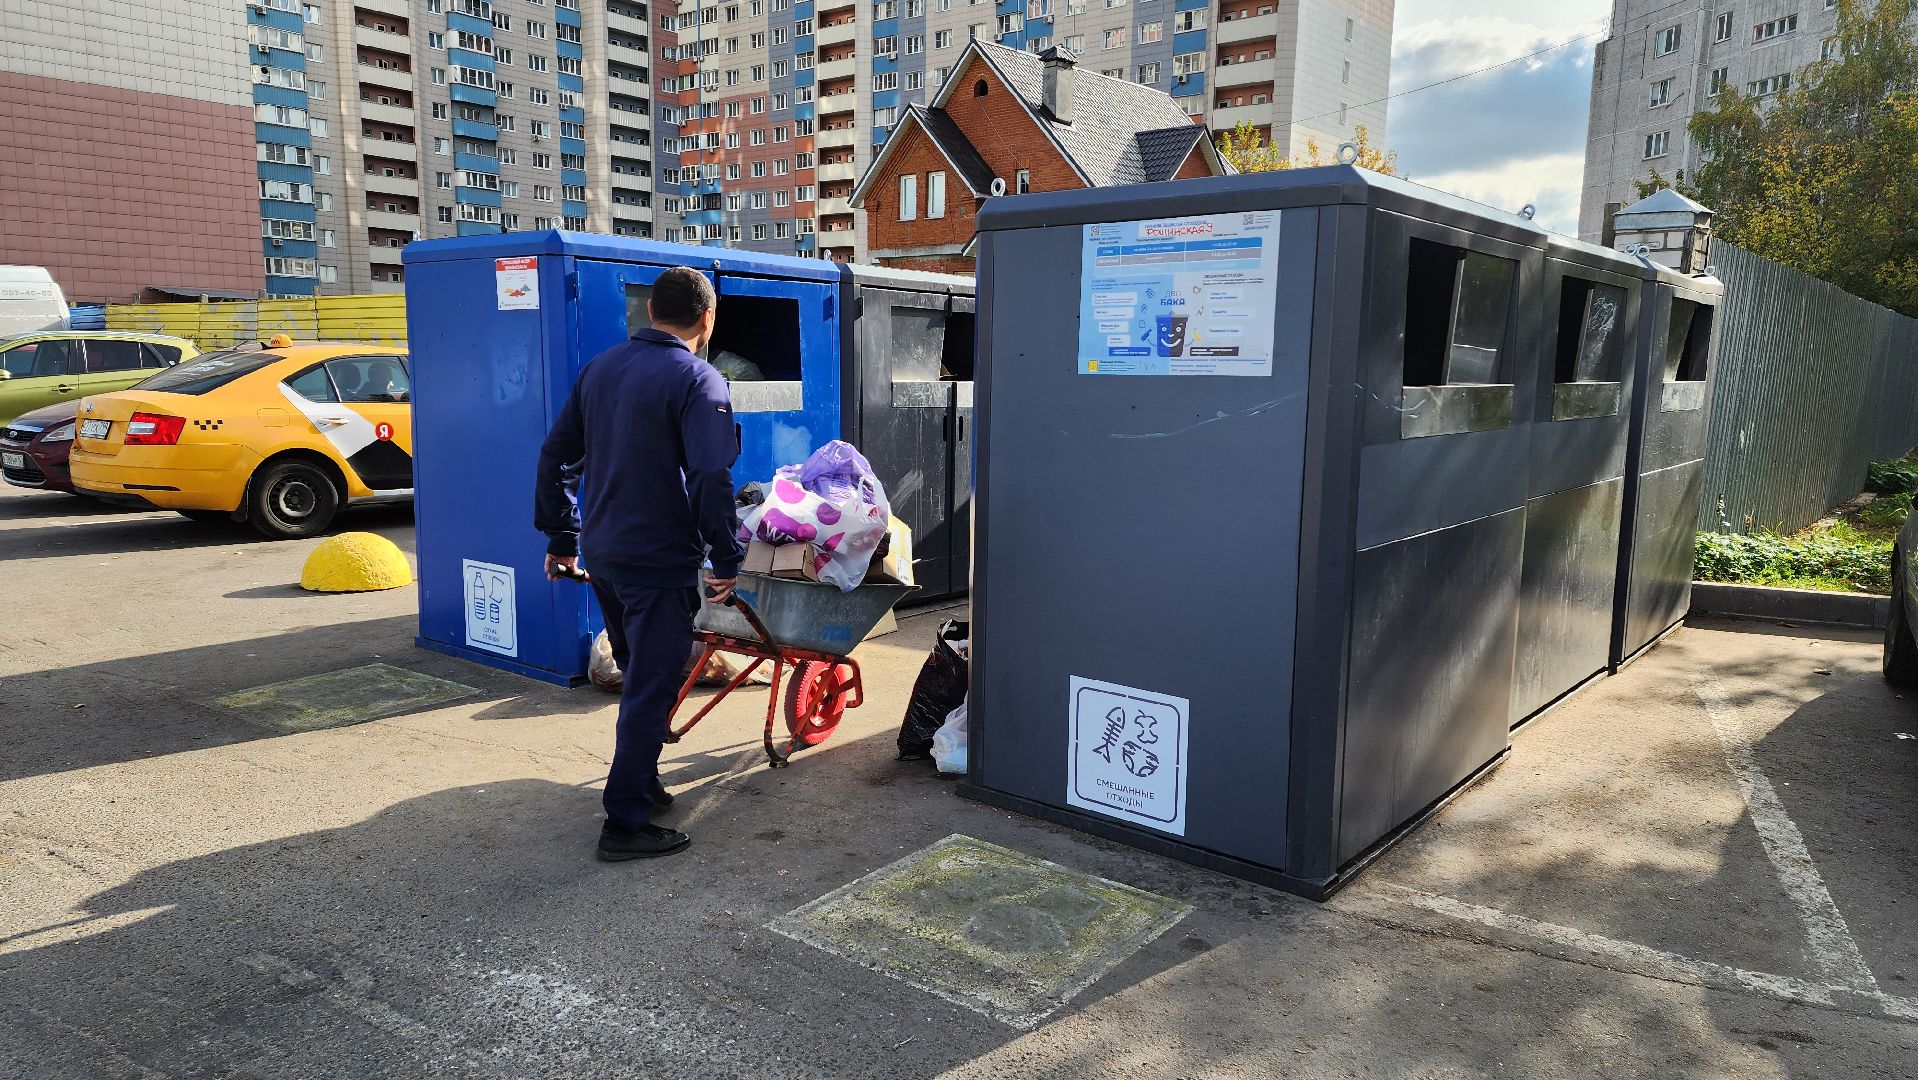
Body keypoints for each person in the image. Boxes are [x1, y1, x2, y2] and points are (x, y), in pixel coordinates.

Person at [534, 266, 745, 862]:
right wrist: (726, 553)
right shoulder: (698, 379)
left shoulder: (601, 369)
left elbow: (556, 453)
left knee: (639, 673)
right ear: (707, 319)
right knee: (651, 687)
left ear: (650, 310)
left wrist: (561, 538)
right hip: (657, 561)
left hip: (606, 555)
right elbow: (709, 474)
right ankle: (623, 824)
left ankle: (643, 779)